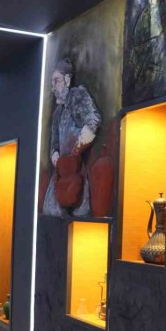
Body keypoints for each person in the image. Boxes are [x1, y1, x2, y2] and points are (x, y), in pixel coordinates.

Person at [42, 58, 101, 216]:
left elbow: (93, 120)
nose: (53, 87)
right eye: (52, 82)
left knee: (79, 212)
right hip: (61, 173)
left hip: (76, 171)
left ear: (67, 80)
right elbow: (55, 143)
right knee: (51, 210)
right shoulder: (58, 113)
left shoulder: (77, 95)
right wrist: (56, 156)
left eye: (57, 81)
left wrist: (76, 150)